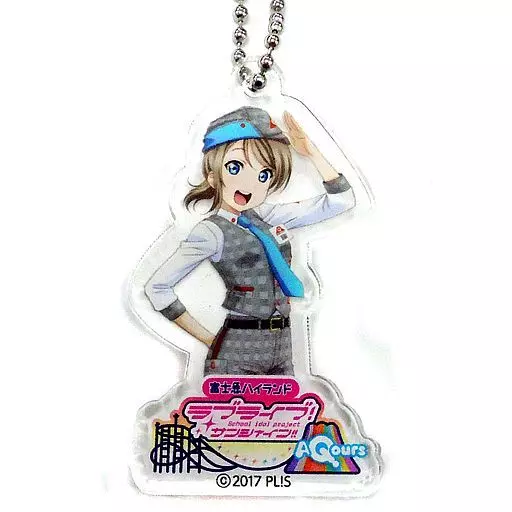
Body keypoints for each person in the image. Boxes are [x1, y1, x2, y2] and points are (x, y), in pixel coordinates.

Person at [145, 106, 356, 375]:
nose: (250, 184)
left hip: (283, 345)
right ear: (212, 175)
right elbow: (157, 287)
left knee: (290, 404)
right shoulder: (211, 232)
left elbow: (341, 201)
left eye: (264, 174)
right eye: (235, 167)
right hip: (238, 346)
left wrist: (311, 151)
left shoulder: (266, 216)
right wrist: (211, 341)